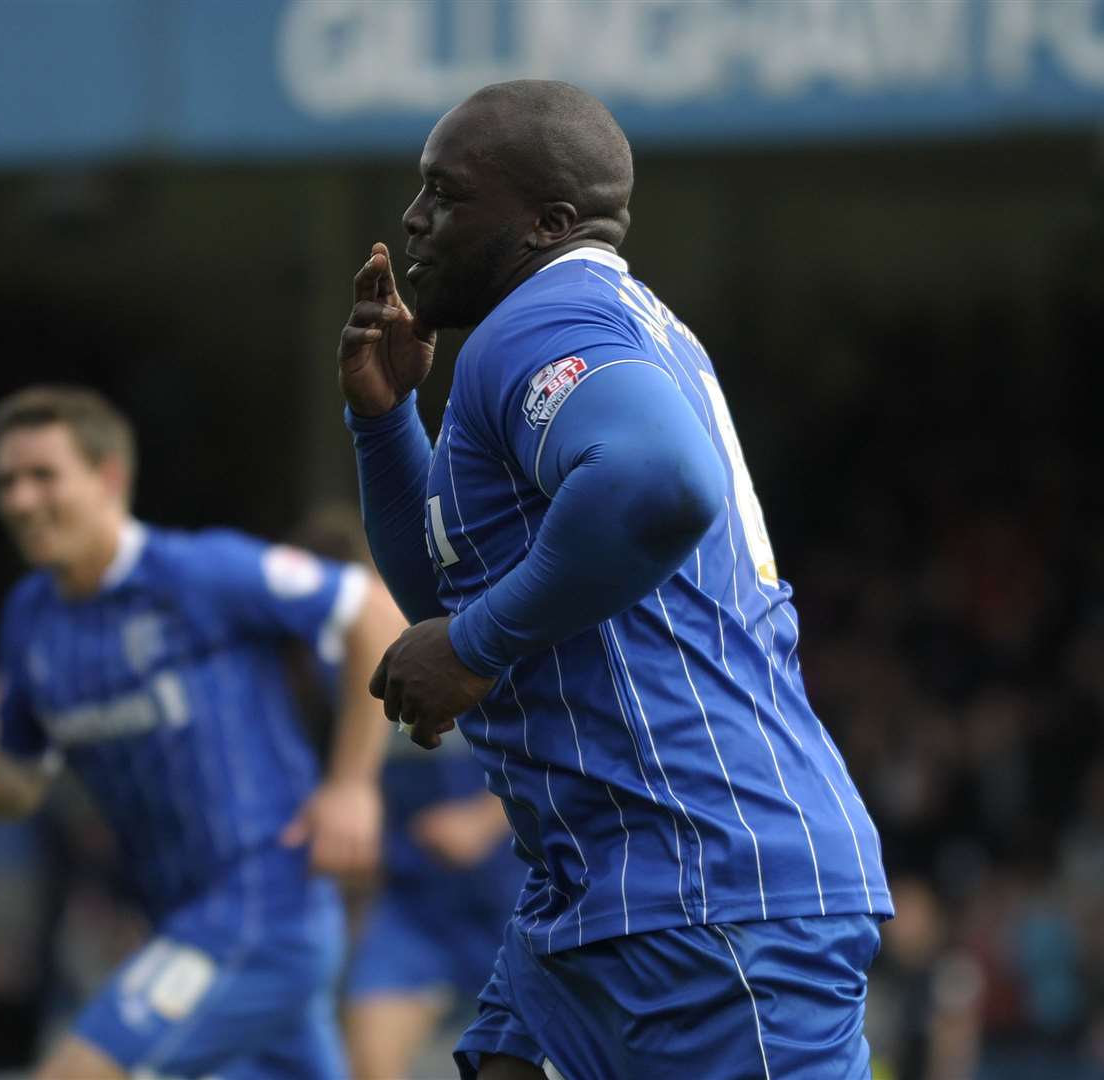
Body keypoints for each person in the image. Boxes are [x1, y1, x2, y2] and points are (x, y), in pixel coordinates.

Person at [337, 80, 894, 1079]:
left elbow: (658, 483)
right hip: (595, 886)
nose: (414, 218)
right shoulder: (583, 326)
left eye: (445, 193)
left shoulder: (543, 321)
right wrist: (386, 426)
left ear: (544, 223)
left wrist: (470, 649)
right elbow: (458, 597)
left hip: (700, 877)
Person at [0, 385, 404, 1080]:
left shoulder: (196, 574)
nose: (21, 500)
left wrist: (351, 786)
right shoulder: (29, 620)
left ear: (108, 478)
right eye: (6, 481)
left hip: (263, 908)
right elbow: (22, 790)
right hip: (183, 923)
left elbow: (373, 610)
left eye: (42, 476)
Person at [290, 504, 528, 1080]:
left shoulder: (475, 634)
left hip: (516, 895)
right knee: (368, 1062)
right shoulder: (330, 678)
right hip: (413, 903)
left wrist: (485, 818)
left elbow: (561, 741)